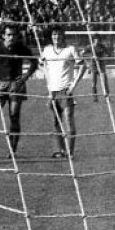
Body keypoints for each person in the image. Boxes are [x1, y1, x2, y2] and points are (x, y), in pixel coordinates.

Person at [0, 24, 38, 160]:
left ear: (17, 36)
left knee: (14, 116)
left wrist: (25, 76)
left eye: (14, 35)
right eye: (9, 35)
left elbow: (34, 63)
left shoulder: (22, 48)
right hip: (0, 84)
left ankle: (12, 151)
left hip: (16, 85)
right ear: (3, 35)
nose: (11, 37)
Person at [39, 26, 87, 158]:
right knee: (56, 122)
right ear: (51, 36)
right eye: (54, 34)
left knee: (68, 121)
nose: (57, 37)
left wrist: (73, 85)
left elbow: (83, 66)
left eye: (59, 34)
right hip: (52, 92)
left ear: (63, 36)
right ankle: (60, 151)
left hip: (66, 91)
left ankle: (70, 152)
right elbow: (40, 64)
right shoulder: (47, 50)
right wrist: (48, 78)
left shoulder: (70, 49)